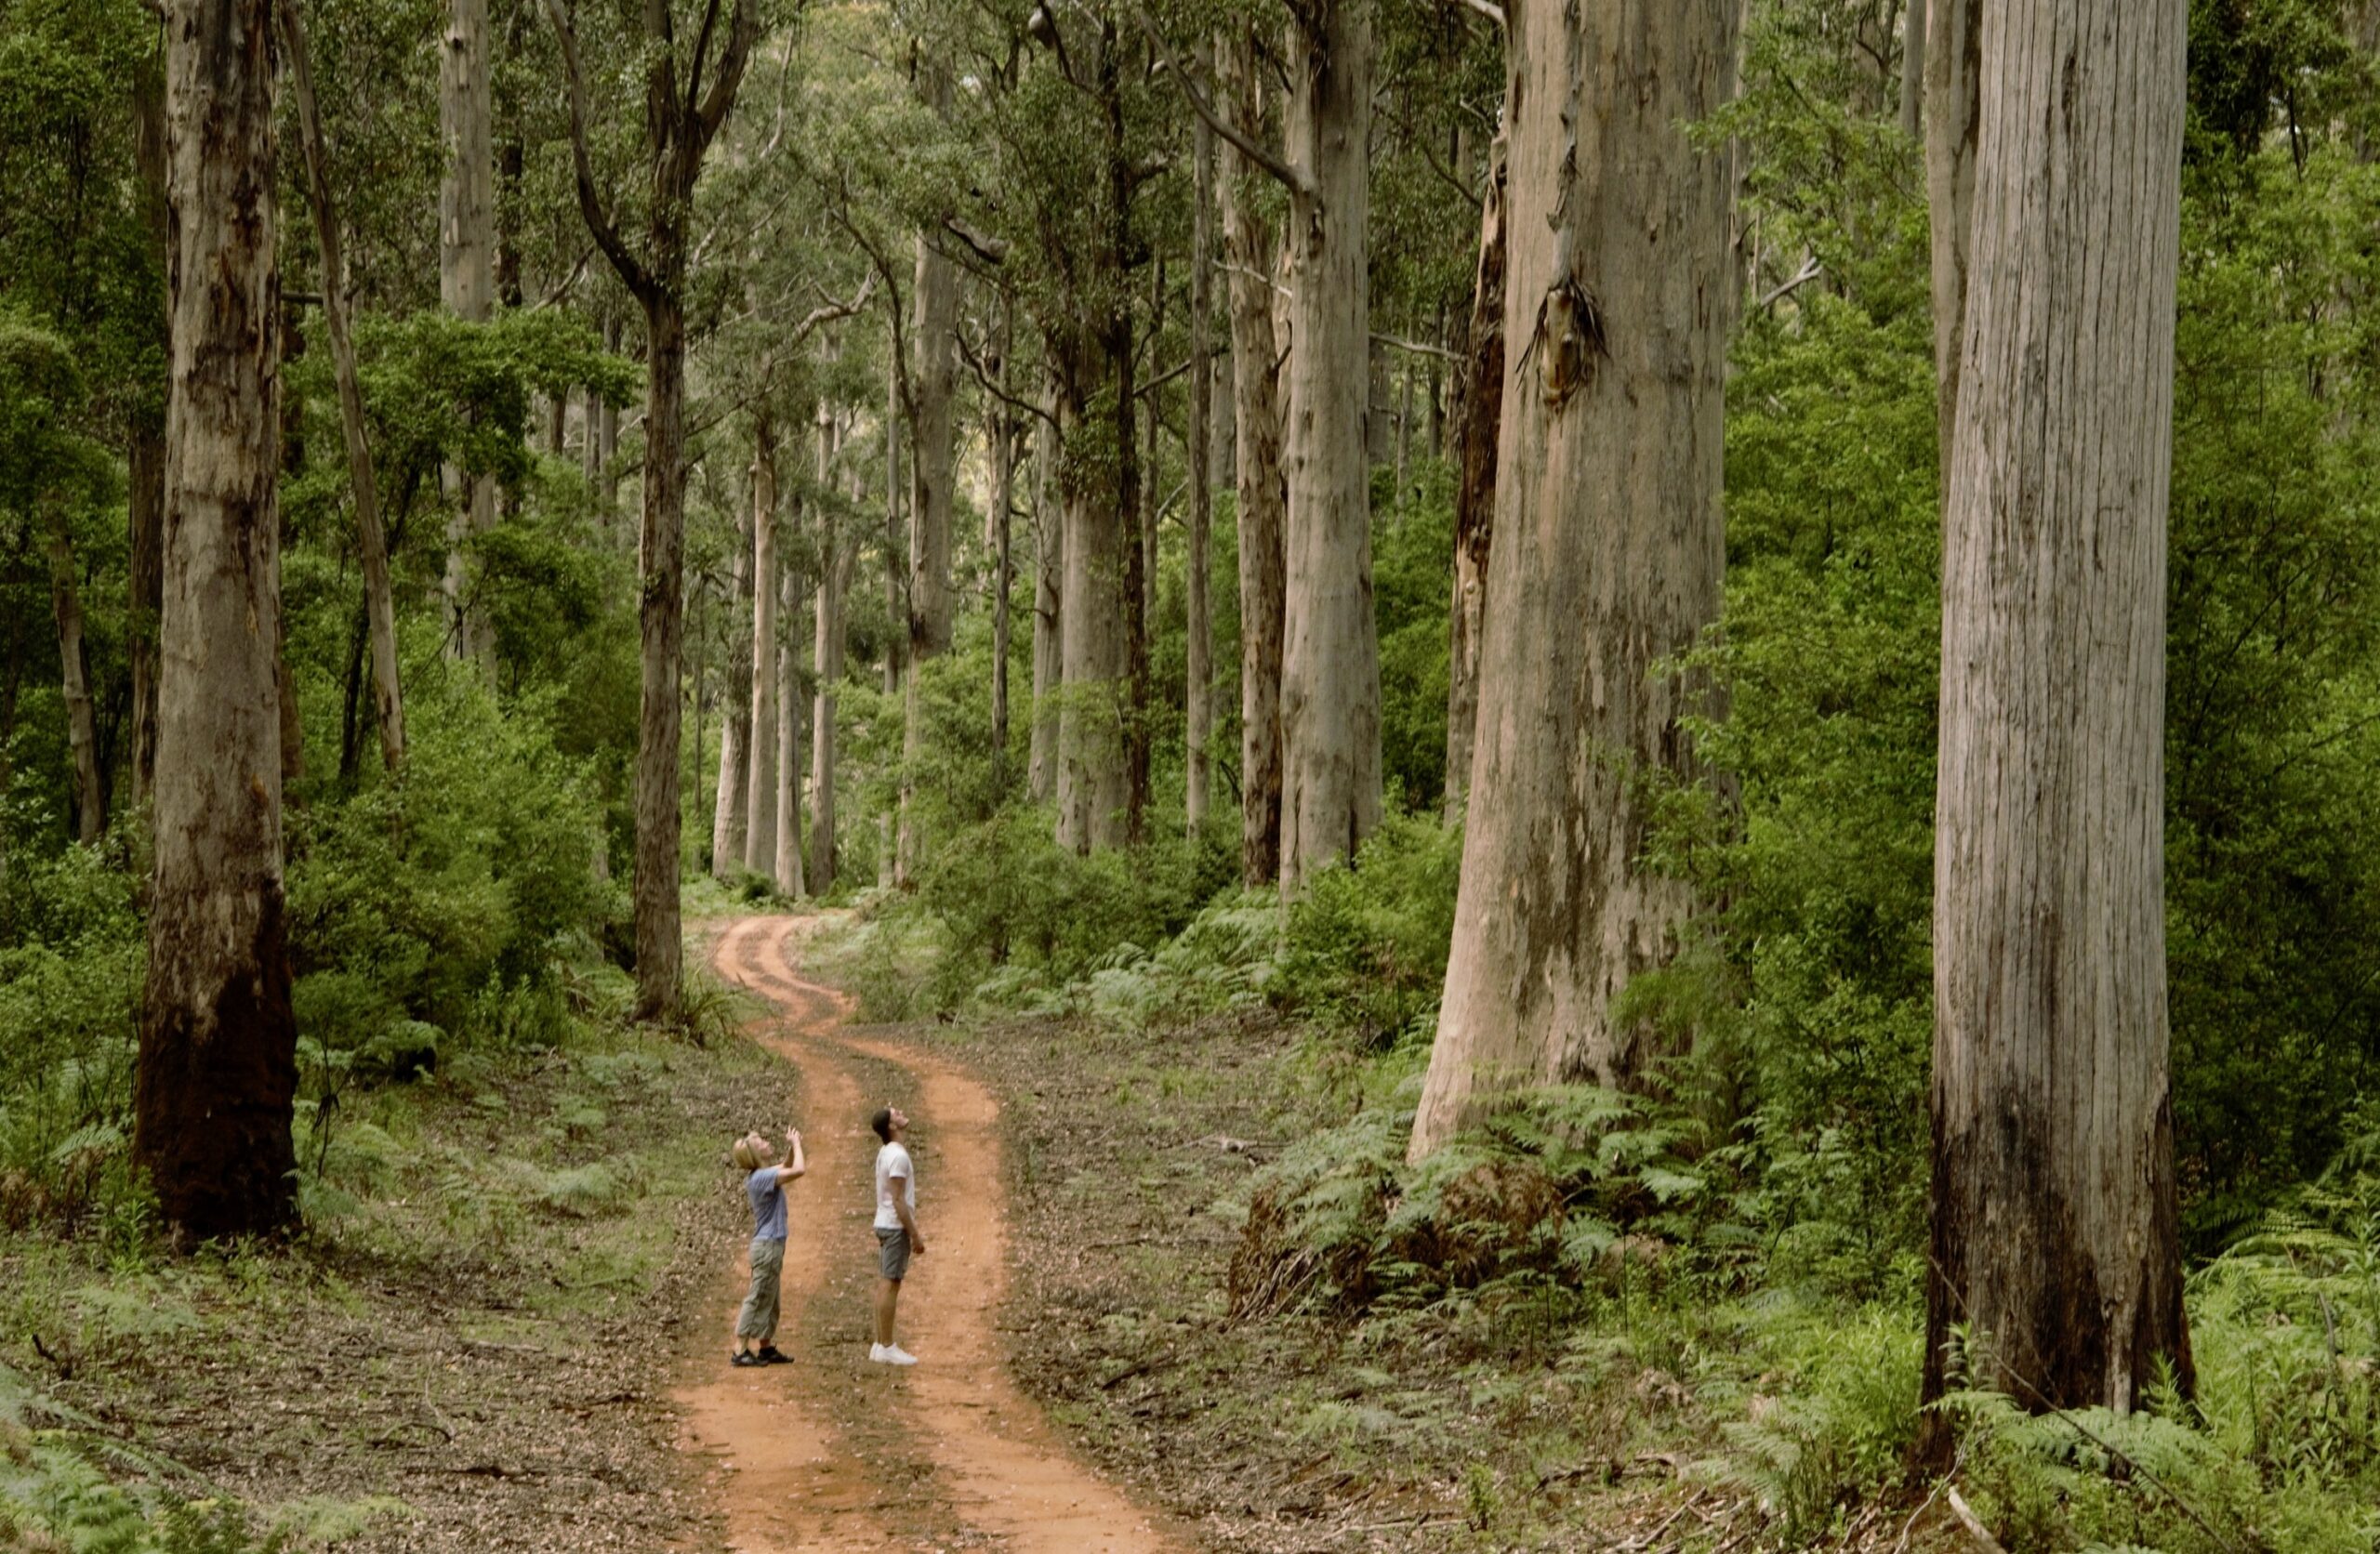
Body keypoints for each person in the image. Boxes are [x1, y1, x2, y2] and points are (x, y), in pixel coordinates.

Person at [730, 1126, 805, 1368]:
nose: (765, 1143)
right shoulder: (761, 1178)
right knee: (759, 1295)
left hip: (771, 1245)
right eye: (760, 1143)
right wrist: (796, 1144)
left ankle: (765, 1347)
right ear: (755, 1154)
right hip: (767, 1246)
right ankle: (739, 1349)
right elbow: (798, 1170)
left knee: (771, 1298)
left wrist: (791, 1148)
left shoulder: (761, 1174)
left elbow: (785, 1165)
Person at [869, 1104, 925, 1365]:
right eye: (896, 1114)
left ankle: (880, 1344)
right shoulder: (898, 1157)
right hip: (894, 1226)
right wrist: (914, 1234)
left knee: (885, 1282)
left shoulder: (886, 1152)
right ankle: (887, 1346)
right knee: (891, 1283)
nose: (902, 1113)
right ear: (891, 1126)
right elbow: (899, 1200)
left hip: (883, 1222)